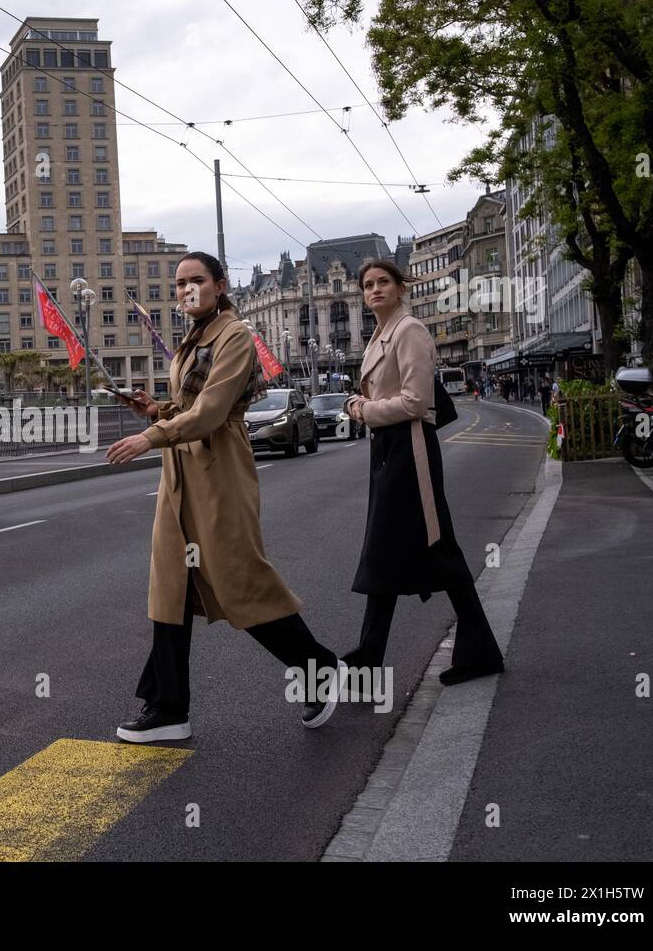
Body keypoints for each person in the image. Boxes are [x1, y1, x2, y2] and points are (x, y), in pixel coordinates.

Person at [106, 251, 346, 741]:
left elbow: (213, 410)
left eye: (196, 280)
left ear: (219, 285)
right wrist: (154, 409)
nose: (186, 290)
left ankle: (320, 667)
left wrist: (152, 436)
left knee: (239, 580)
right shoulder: (194, 338)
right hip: (181, 473)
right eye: (179, 284)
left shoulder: (235, 335)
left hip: (218, 469)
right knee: (169, 586)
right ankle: (168, 707)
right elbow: (188, 407)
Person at [342, 260, 504, 686]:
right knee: (402, 552)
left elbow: (416, 402)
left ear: (400, 288)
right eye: (367, 285)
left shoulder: (409, 330)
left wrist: (360, 410)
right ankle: (374, 656)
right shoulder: (380, 333)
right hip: (389, 451)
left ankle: (371, 658)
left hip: (409, 448)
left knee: (421, 549)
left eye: (383, 283)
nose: (374, 290)